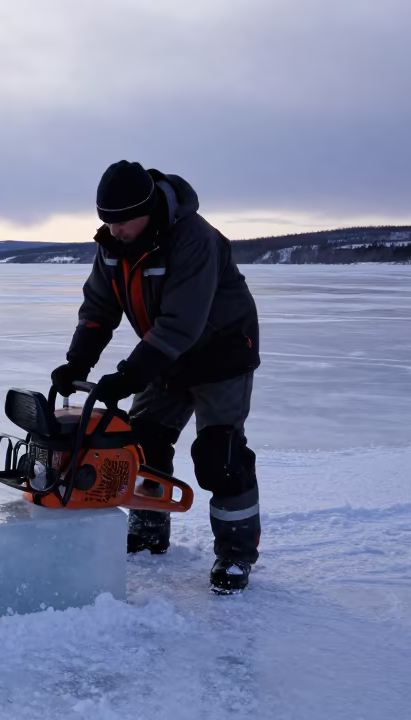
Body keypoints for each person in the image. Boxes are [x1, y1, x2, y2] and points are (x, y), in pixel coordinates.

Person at [50, 160, 262, 594]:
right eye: (106, 221)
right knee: (142, 440)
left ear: (149, 209)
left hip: (220, 354)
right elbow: (98, 310)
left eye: (124, 221)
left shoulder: (194, 239)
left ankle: (236, 556)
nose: (115, 230)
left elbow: (181, 324)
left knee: (220, 458)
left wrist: (128, 376)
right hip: (166, 357)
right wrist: (78, 364)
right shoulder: (112, 244)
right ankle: (149, 529)